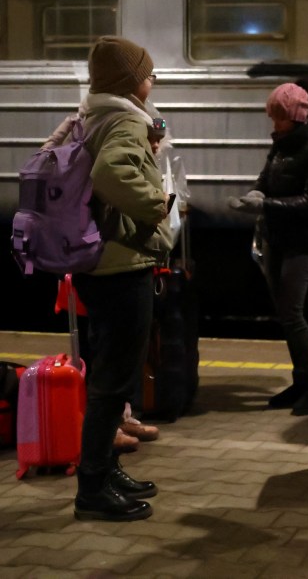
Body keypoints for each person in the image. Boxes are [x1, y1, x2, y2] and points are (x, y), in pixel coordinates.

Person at [71, 36, 174, 521]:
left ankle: (105, 469)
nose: (151, 81)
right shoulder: (128, 117)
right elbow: (111, 173)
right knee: (115, 379)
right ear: (132, 81)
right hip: (120, 263)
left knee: (110, 374)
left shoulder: (93, 113)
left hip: (97, 262)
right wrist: (156, 207)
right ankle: (92, 486)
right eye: (147, 74)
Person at [229, 82, 308, 416]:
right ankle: (302, 380)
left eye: (279, 117)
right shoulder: (281, 146)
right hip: (276, 239)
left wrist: (266, 205)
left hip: (302, 242)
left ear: (296, 116)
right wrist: (255, 194)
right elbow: (265, 179)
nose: (273, 123)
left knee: (292, 314)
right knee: (285, 316)